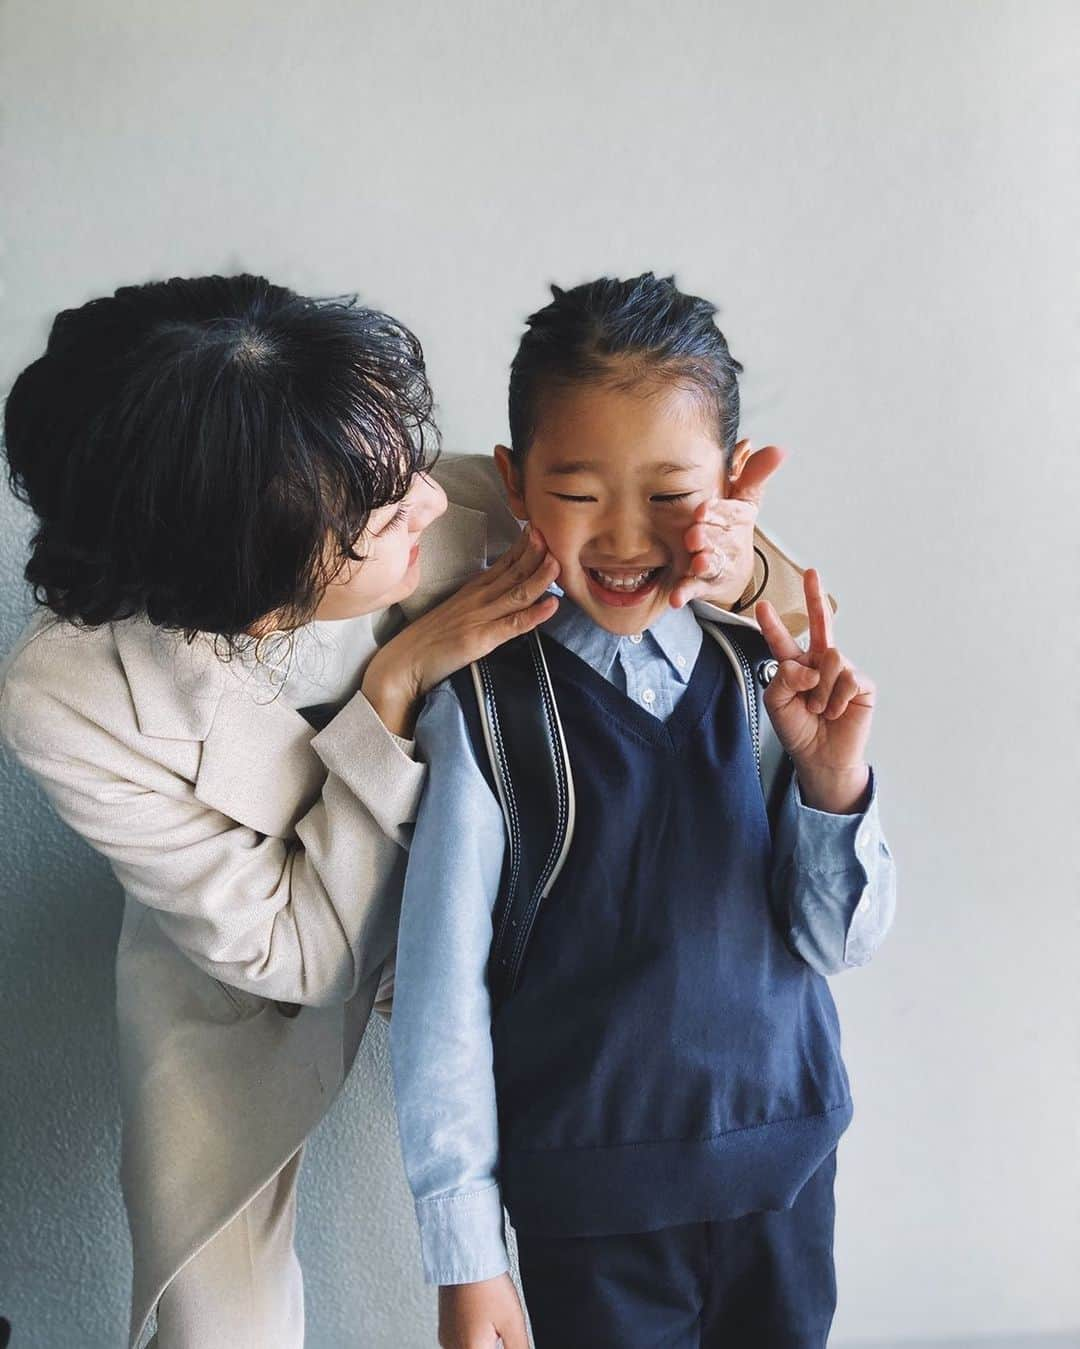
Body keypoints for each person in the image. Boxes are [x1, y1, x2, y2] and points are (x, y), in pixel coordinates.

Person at [0, 273, 782, 1349]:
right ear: (260, 560)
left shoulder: (465, 498)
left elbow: (703, 547)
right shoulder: (69, 693)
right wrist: (394, 686)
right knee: (215, 1317)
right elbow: (296, 951)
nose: (426, 499)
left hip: (495, 934)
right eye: (377, 507)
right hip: (244, 979)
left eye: (404, 459)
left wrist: (739, 578)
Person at [390, 273, 897, 1348]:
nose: (627, 535)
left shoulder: (772, 674)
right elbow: (439, 1002)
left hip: (788, 1170)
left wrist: (833, 781)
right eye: (580, 489)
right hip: (591, 1209)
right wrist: (465, 1255)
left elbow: (841, 940)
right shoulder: (485, 705)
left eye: (670, 492)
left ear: (733, 488)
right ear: (516, 486)